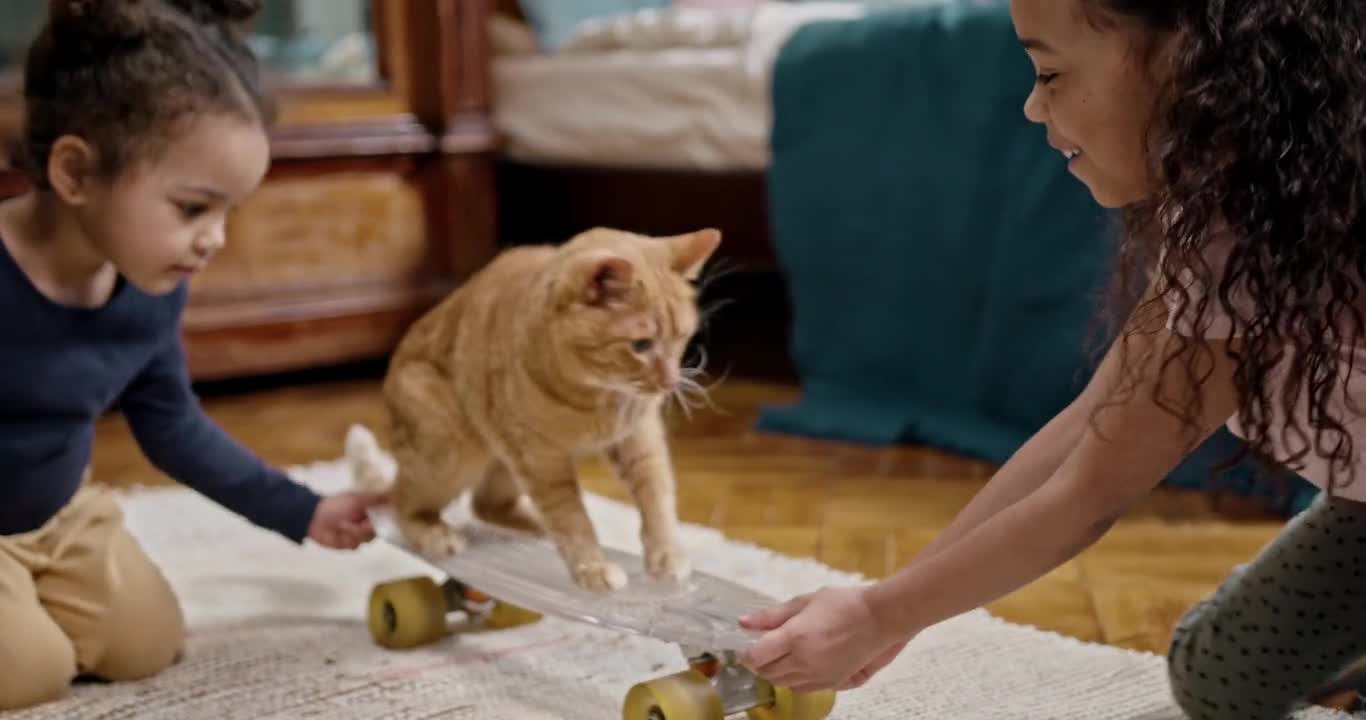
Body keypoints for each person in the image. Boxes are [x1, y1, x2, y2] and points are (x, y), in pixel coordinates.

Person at [737, 1, 1366, 718]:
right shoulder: (1242, 215)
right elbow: (1093, 423)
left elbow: (1087, 496)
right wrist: (895, 606)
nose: (1035, 107)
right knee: (1218, 678)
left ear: (1188, 59)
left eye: (1051, 73)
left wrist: (880, 616)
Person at [0, 0, 385, 710]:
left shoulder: (148, 291)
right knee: (35, 674)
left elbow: (173, 427)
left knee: (146, 643)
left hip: (55, 515)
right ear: (76, 172)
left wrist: (303, 511)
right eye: (193, 209)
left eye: (228, 213)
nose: (215, 241)